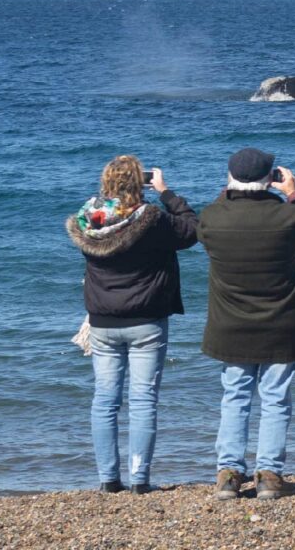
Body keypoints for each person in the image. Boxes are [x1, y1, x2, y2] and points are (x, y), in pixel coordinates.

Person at [197, 147, 295, 500]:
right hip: (281, 324)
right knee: (275, 398)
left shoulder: (212, 218)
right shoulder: (287, 218)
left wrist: (229, 191)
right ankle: (269, 475)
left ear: (230, 179)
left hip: (231, 326)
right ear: (270, 179)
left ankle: (229, 474)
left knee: (235, 396)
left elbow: (212, 215)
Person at [65, 155, 198, 494]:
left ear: (106, 182)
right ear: (141, 182)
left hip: (103, 320)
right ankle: (140, 480)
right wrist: (166, 192)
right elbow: (191, 229)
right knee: (142, 400)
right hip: (146, 319)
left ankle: (109, 479)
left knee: (105, 400)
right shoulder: (152, 219)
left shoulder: (89, 220)